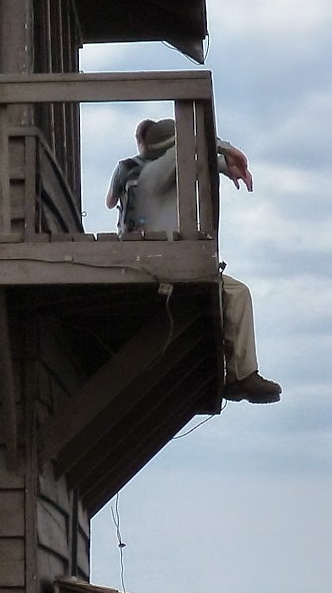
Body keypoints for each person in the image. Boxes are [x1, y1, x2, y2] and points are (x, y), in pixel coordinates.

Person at [106, 118, 281, 405]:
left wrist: (226, 166)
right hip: (154, 259)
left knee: (235, 293)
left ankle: (241, 376)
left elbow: (111, 201)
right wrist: (227, 150)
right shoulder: (159, 169)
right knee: (233, 293)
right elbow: (196, 147)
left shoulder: (129, 167)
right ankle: (242, 374)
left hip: (151, 256)